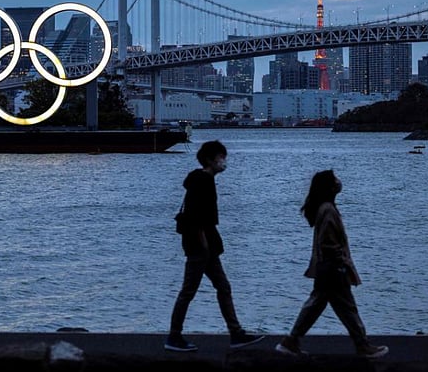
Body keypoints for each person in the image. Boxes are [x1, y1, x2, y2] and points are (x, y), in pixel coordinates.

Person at [275, 169, 389, 359]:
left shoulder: (325, 208)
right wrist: (341, 263)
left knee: (318, 305)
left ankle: (291, 341)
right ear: (329, 187)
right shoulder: (327, 209)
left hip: (326, 267)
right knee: (345, 307)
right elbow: (328, 243)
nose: (339, 181)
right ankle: (362, 346)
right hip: (332, 268)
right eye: (335, 179)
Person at [164, 140, 264, 352]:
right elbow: (196, 215)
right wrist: (203, 245)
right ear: (210, 159)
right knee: (189, 290)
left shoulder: (201, 180)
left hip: (205, 245)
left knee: (222, 287)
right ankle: (174, 337)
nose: (224, 161)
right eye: (221, 157)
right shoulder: (203, 181)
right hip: (201, 246)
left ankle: (235, 333)